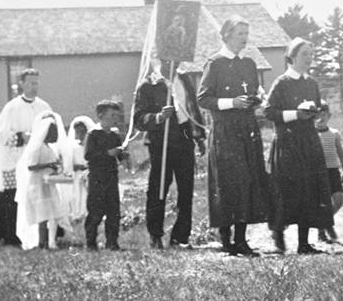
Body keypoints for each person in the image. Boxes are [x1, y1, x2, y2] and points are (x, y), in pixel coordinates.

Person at [197, 15, 271, 257]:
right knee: (230, 183)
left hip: (247, 130)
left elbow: (255, 93)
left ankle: (241, 239)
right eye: (240, 34)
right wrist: (231, 102)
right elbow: (203, 98)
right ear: (227, 35)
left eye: (246, 35)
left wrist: (255, 100)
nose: (244, 39)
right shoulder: (214, 63)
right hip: (225, 132)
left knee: (249, 181)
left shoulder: (249, 64)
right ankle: (227, 240)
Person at [263, 37, 334, 255]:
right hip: (288, 142)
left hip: (309, 142)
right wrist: (295, 114)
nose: (309, 59)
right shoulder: (282, 83)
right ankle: (279, 238)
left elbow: (314, 109)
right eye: (304, 55)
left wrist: (316, 113)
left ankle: (304, 243)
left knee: (309, 190)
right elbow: (268, 112)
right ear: (291, 57)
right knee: (286, 190)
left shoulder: (311, 83)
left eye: (311, 55)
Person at [134, 58, 206, 250]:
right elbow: (138, 119)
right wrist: (157, 117)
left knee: (186, 189)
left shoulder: (184, 79)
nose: (172, 62)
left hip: (183, 137)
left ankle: (180, 237)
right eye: (167, 57)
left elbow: (192, 108)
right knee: (158, 189)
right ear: (160, 59)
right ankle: (155, 235)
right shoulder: (149, 85)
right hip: (161, 140)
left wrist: (199, 137)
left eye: (176, 57)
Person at [0, 68, 51, 247]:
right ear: (21, 84)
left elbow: (51, 130)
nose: (33, 86)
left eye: (36, 83)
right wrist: (22, 136)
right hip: (13, 159)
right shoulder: (12, 107)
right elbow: (1, 135)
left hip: (34, 159)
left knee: (35, 196)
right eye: (29, 83)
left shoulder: (43, 107)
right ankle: (9, 235)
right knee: (10, 197)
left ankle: (37, 235)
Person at [15, 111, 70, 249]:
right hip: (37, 184)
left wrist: (56, 167)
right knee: (42, 216)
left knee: (49, 214)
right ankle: (42, 242)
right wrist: (49, 165)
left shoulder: (49, 148)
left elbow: (52, 163)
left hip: (47, 183)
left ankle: (48, 241)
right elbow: (31, 166)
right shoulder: (37, 147)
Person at [84, 100, 126, 250]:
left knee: (113, 211)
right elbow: (88, 155)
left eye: (117, 115)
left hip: (111, 177)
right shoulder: (93, 134)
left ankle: (112, 242)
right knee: (95, 211)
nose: (115, 118)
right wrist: (107, 153)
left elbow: (120, 156)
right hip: (97, 177)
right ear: (101, 116)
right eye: (112, 115)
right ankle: (91, 242)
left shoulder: (115, 134)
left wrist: (123, 153)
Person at [315, 100, 343, 244]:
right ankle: (322, 232)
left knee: (339, 200)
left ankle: (326, 222)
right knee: (323, 203)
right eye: (318, 114)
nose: (321, 117)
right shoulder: (310, 135)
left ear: (329, 115)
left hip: (333, 171)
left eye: (324, 114)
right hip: (318, 173)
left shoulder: (334, 133)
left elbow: (341, 153)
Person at [61, 117, 92, 227]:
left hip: (89, 173)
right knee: (78, 195)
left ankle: (88, 213)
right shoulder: (73, 147)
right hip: (78, 174)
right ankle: (78, 214)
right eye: (77, 132)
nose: (80, 134)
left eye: (82, 132)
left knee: (88, 194)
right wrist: (76, 167)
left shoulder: (90, 145)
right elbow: (69, 164)